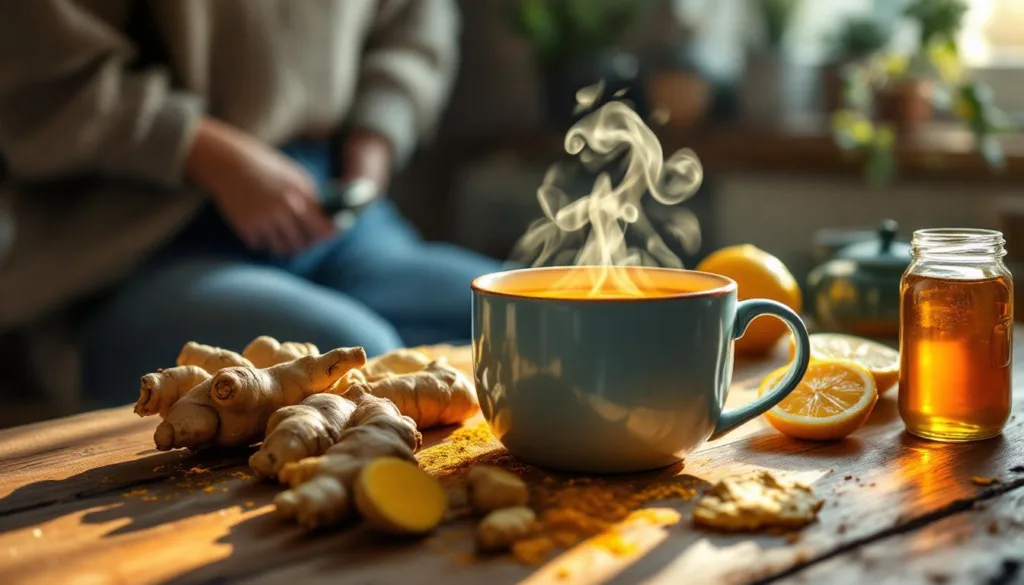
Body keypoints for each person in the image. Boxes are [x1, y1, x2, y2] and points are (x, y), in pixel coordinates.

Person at [0, 0, 499, 406]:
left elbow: (415, 23)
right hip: (141, 242)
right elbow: (40, 77)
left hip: (341, 219)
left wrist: (375, 138)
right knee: (346, 365)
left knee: (529, 323)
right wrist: (207, 154)